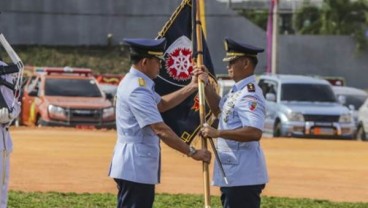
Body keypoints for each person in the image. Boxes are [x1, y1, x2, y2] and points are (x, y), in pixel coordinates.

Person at [108, 38, 211, 208]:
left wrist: (192, 87)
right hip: (136, 167)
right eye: (157, 61)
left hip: (136, 165)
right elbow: (160, 129)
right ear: (145, 62)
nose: (160, 66)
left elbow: (161, 104)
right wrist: (192, 152)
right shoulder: (137, 89)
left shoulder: (139, 84)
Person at [199, 37, 268, 208]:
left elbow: (254, 132)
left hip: (243, 177)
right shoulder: (237, 91)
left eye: (232, 61)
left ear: (245, 63)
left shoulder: (249, 94)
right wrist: (206, 84)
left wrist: (218, 133)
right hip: (234, 175)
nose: (228, 65)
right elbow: (219, 111)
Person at [0, 59, 21, 208]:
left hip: (3, 138)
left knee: (2, 186)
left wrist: (11, 113)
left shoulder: (5, 70)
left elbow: (13, 104)